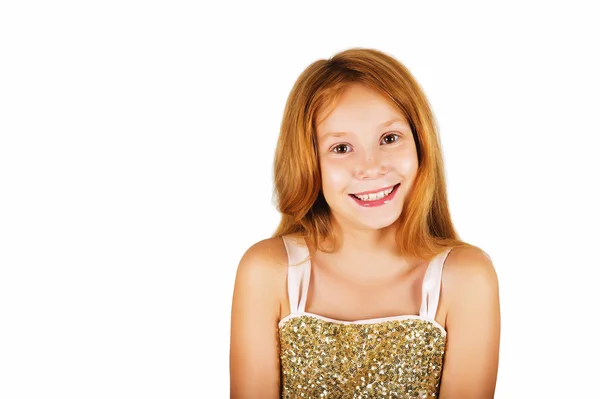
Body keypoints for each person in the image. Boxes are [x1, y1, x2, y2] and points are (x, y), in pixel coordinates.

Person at [229, 48, 500, 398]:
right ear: (310, 163)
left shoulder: (464, 279)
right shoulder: (270, 272)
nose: (371, 167)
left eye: (389, 139)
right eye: (341, 148)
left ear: (421, 146)